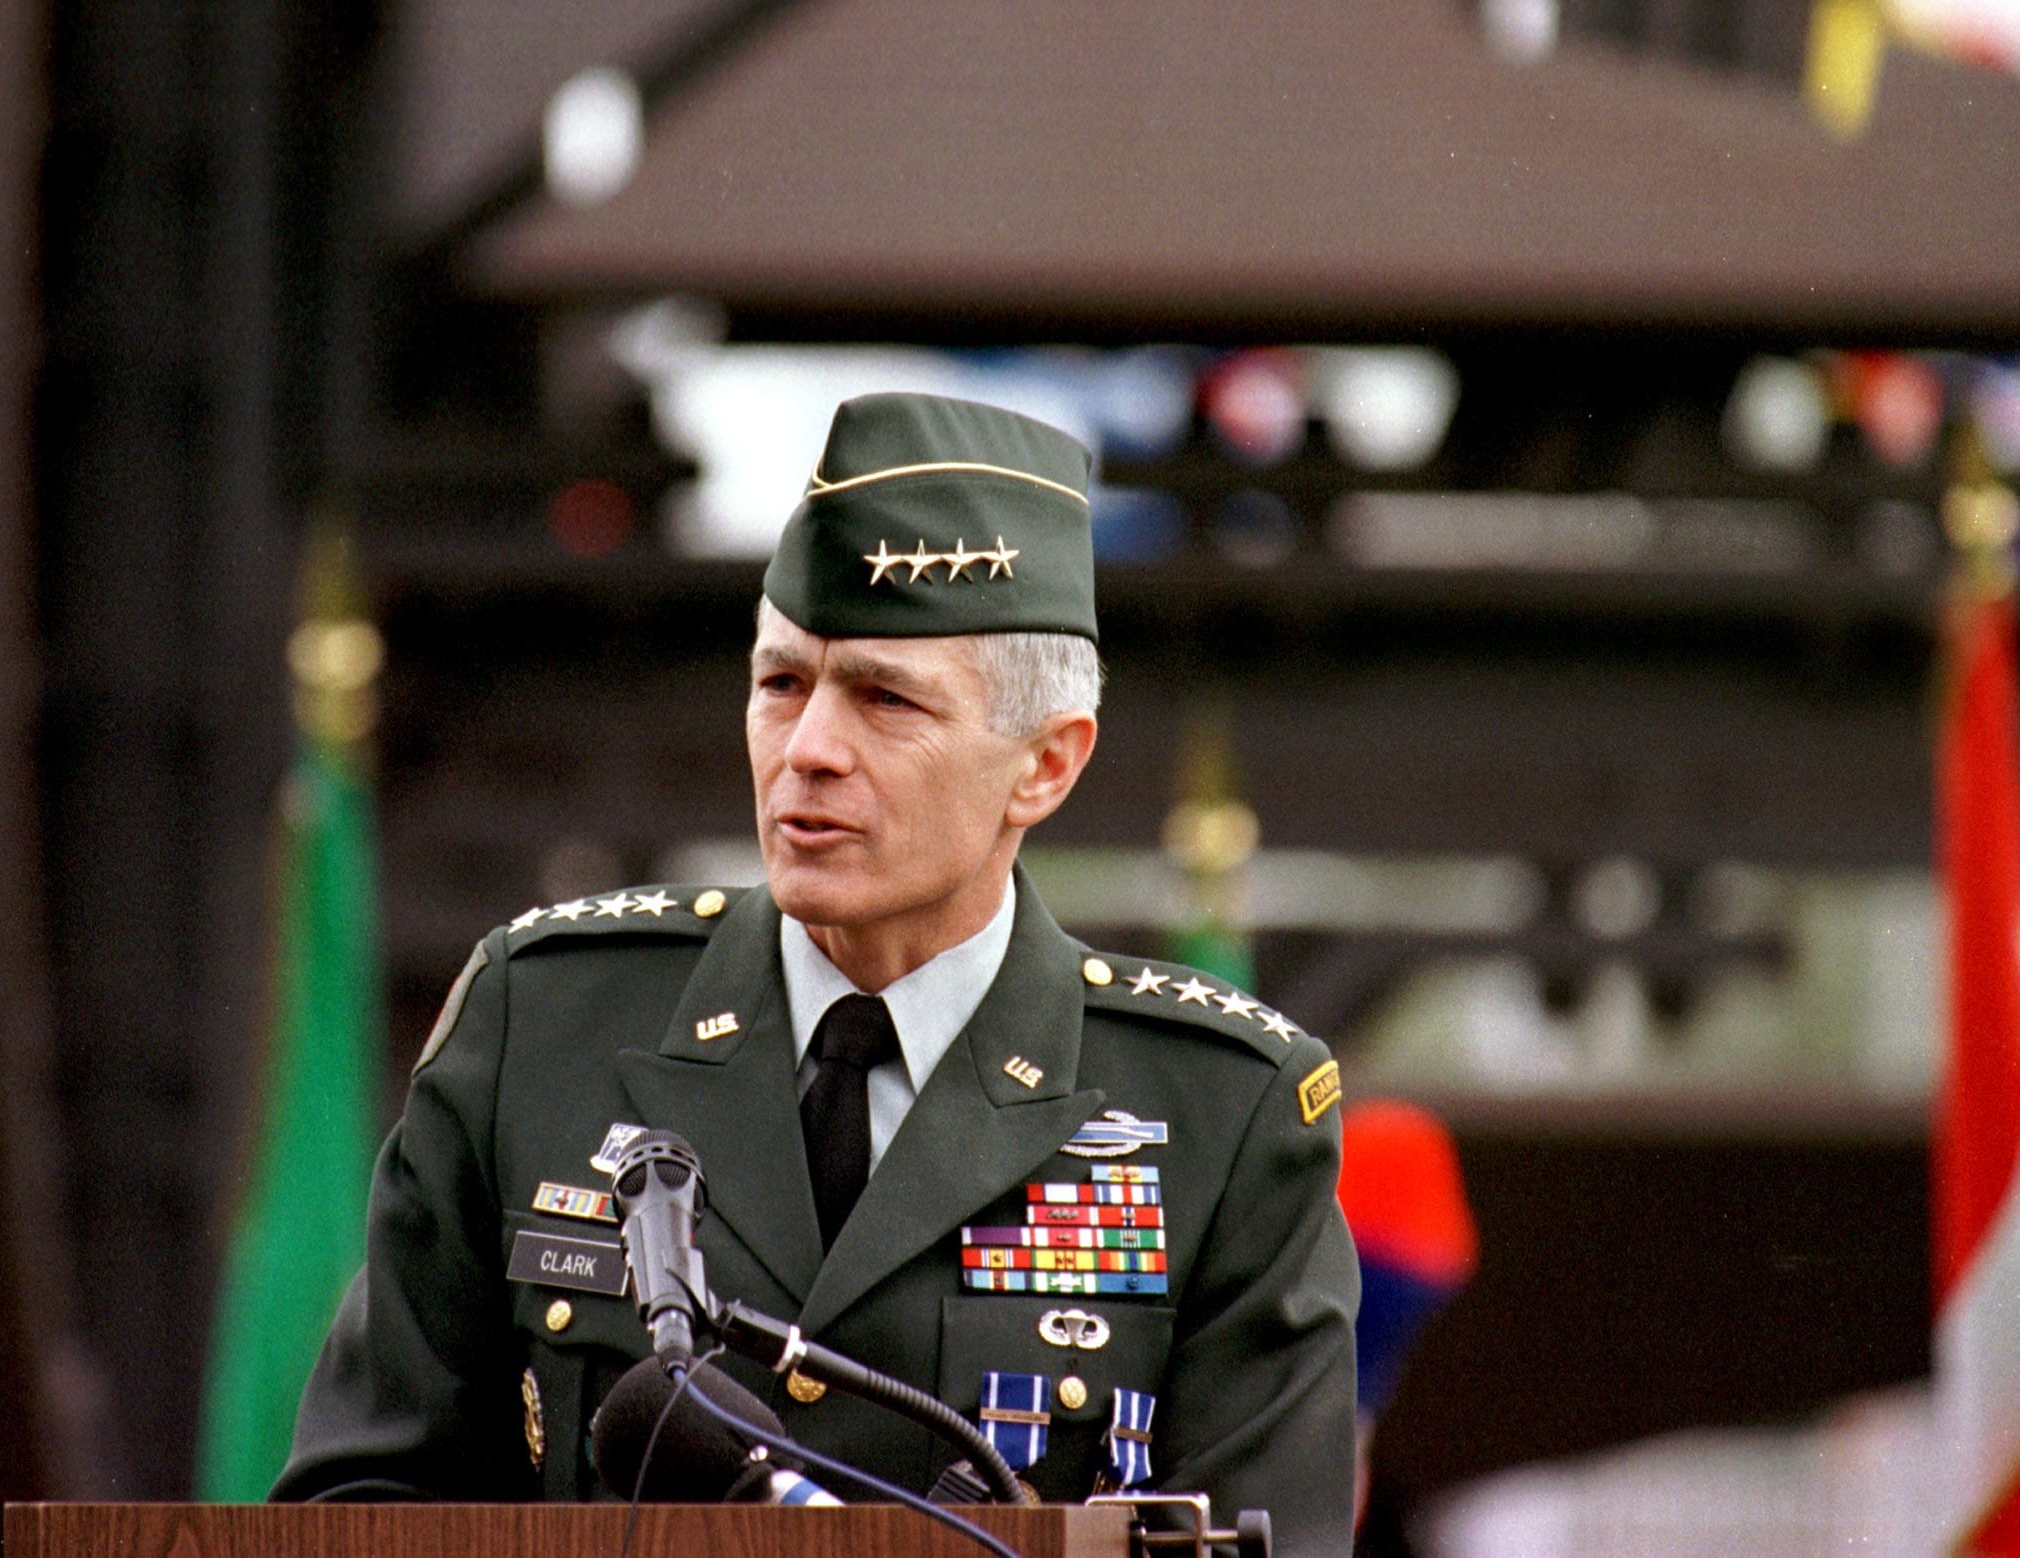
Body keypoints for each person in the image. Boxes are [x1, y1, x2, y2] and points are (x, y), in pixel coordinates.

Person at [273, 392, 1360, 1552]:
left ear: (1044, 765)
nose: (808, 750)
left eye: (885, 700)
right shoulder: (540, 1021)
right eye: (780, 683)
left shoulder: (1223, 1115)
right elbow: (355, 1515)